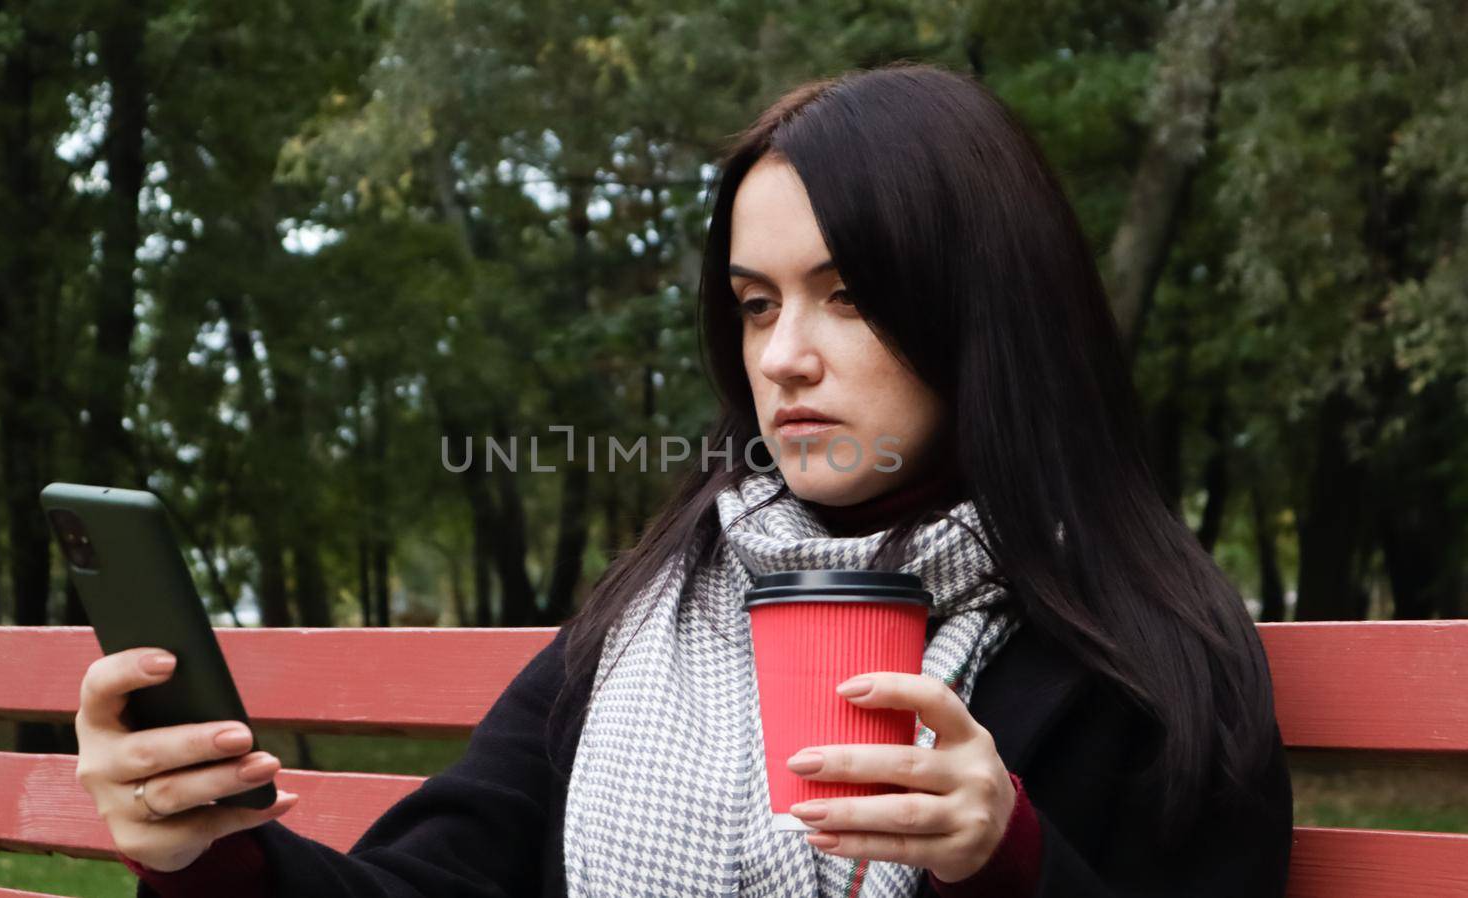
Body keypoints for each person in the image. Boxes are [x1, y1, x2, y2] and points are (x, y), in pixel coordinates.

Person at [75, 62, 1293, 897]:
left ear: (982, 308)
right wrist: (209, 854)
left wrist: (1006, 859)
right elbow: (431, 879)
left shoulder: (1141, 659)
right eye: (755, 305)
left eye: (848, 295)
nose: (783, 354)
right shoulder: (665, 601)